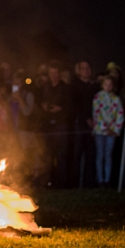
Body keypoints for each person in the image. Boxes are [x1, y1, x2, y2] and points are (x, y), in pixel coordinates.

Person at [41, 60, 72, 188]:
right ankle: (48, 183)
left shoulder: (65, 88)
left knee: (61, 157)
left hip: (61, 125)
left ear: (59, 74)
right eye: (51, 73)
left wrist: (60, 109)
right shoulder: (45, 87)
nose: (53, 75)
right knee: (47, 156)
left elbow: (69, 107)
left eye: (56, 73)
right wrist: (45, 106)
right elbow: (41, 102)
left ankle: (61, 185)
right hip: (48, 126)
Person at [92, 76, 124, 187]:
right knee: (100, 155)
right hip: (100, 132)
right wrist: (104, 128)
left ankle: (107, 179)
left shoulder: (116, 99)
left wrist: (115, 129)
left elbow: (120, 114)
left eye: (110, 84)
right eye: (106, 84)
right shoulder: (97, 97)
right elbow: (96, 114)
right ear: (102, 85)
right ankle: (100, 179)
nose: (108, 87)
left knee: (108, 155)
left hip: (112, 132)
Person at [71, 60, 98, 188]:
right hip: (79, 125)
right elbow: (75, 106)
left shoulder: (95, 87)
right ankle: (74, 185)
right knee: (76, 156)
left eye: (88, 68)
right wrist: (86, 118)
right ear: (78, 71)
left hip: (93, 126)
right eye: (83, 68)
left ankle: (89, 185)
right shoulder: (75, 86)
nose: (86, 70)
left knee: (90, 156)